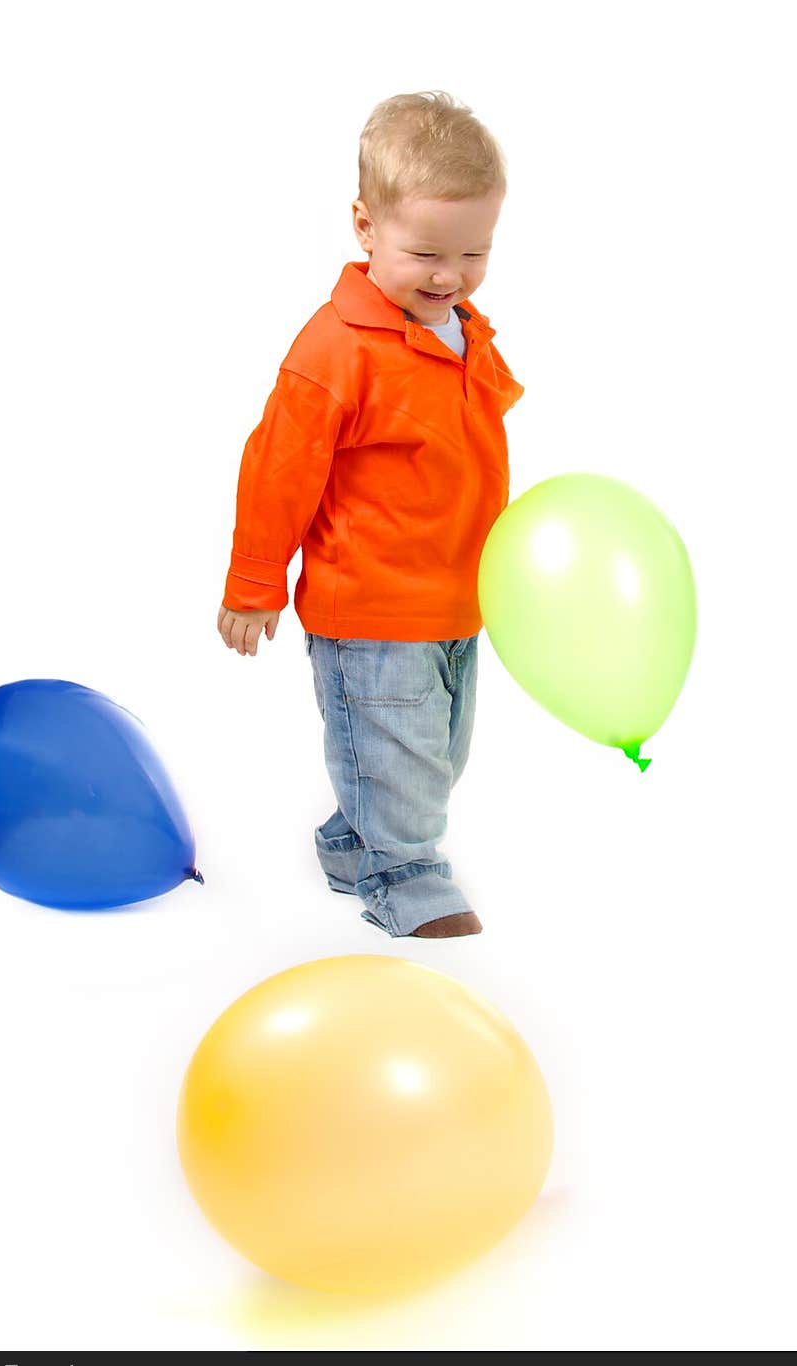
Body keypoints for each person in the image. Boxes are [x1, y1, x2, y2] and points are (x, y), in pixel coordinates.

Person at [218, 90, 524, 939]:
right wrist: (253, 584)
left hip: (456, 598)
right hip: (373, 606)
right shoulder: (336, 348)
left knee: (437, 756)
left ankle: (358, 837)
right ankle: (403, 875)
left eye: (473, 253)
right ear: (364, 226)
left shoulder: (463, 327)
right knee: (403, 755)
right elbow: (278, 468)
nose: (448, 276)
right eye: (425, 251)